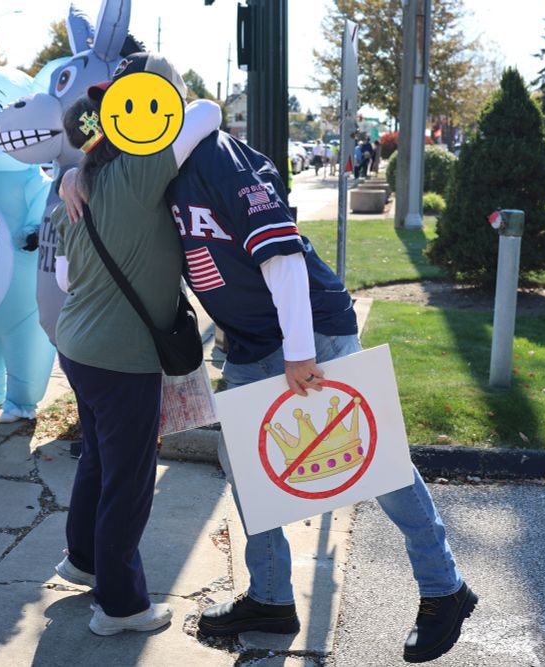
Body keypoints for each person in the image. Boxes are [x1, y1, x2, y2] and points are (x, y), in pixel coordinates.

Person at [58, 56, 475, 664]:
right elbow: (89, 157)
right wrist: (73, 175)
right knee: (251, 472)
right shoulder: (149, 167)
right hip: (250, 341)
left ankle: (444, 587)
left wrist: (301, 350)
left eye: (145, 100)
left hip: (305, 332)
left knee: (373, 460)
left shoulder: (214, 154)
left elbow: (279, 251)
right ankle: (272, 598)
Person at [51, 66, 221, 636]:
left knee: (100, 458)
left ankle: (81, 559)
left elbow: (63, 279)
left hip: (77, 347)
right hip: (121, 359)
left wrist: (73, 172)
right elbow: (208, 113)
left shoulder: (86, 180)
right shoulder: (143, 167)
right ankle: (120, 606)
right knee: (128, 479)